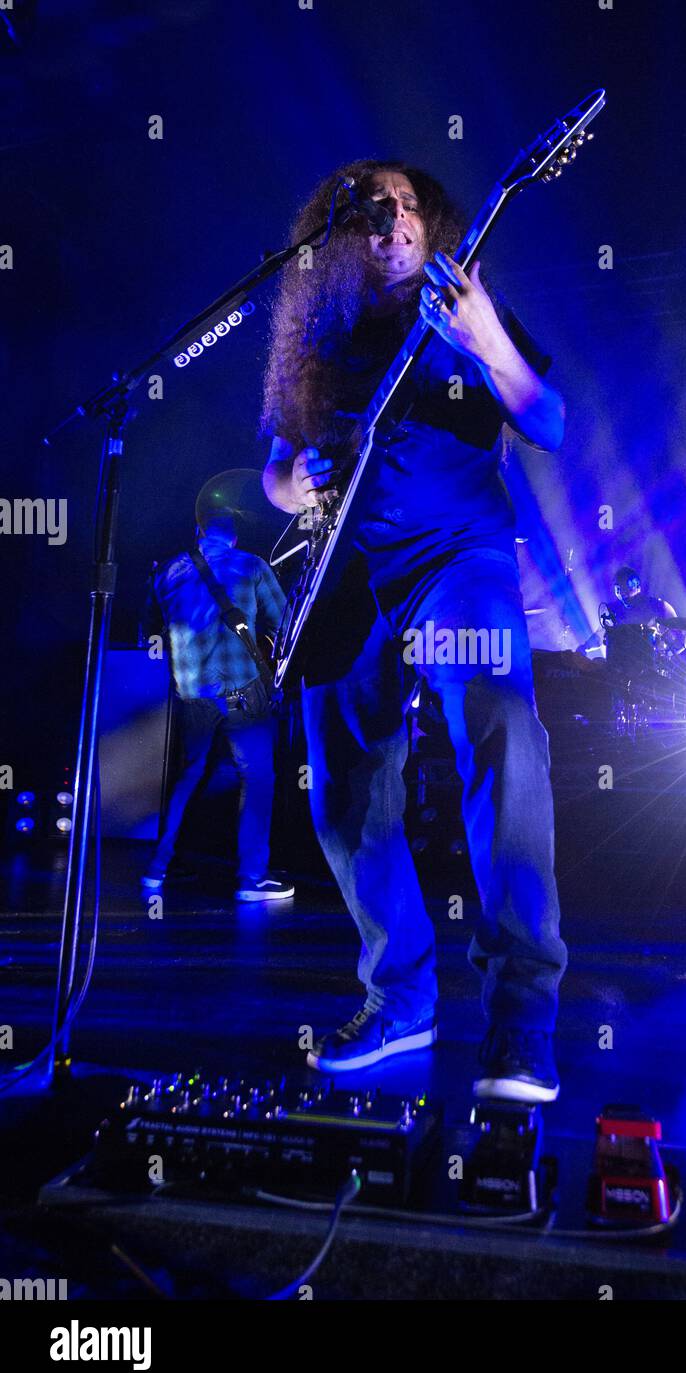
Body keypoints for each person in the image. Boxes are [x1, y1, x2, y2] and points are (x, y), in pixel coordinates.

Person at [261, 160, 567, 1101]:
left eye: (404, 205)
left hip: (456, 560)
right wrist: (293, 479)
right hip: (345, 572)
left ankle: (521, 1018)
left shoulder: (467, 301)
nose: (390, 221)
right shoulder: (316, 339)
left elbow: (549, 421)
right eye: (366, 210)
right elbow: (273, 470)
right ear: (337, 235)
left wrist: (487, 344)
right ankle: (400, 999)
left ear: (429, 220)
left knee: (503, 732)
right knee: (345, 790)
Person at [142, 511, 293, 901]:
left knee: (188, 774)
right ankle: (252, 879)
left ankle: (157, 869)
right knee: (258, 778)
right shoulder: (251, 565)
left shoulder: (167, 570)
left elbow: (149, 633)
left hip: (191, 695)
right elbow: (285, 624)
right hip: (240, 690)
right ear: (235, 539)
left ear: (198, 533)